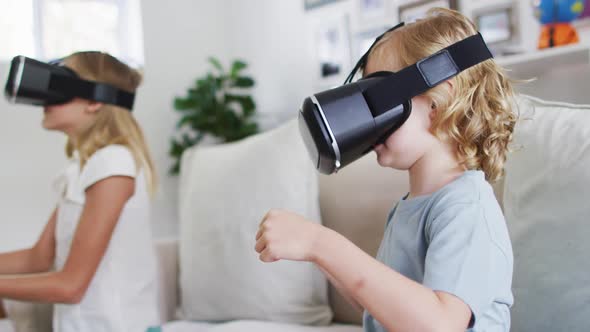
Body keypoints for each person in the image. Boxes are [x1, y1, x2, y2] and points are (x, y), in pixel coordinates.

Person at [255, 8, 516, 332]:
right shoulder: (409, 207)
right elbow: (382, 307)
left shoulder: (466, 206)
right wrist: (318, 255)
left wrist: (321, 243)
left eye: (374, 96)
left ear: (437, 103)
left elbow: (441, 323)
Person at [0, 51, 160, 332]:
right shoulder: (82, 169)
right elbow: (37, 258)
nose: (45, 98)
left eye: (58, 83)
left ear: (95, 100)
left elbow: (71, 286)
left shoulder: (114, 163)